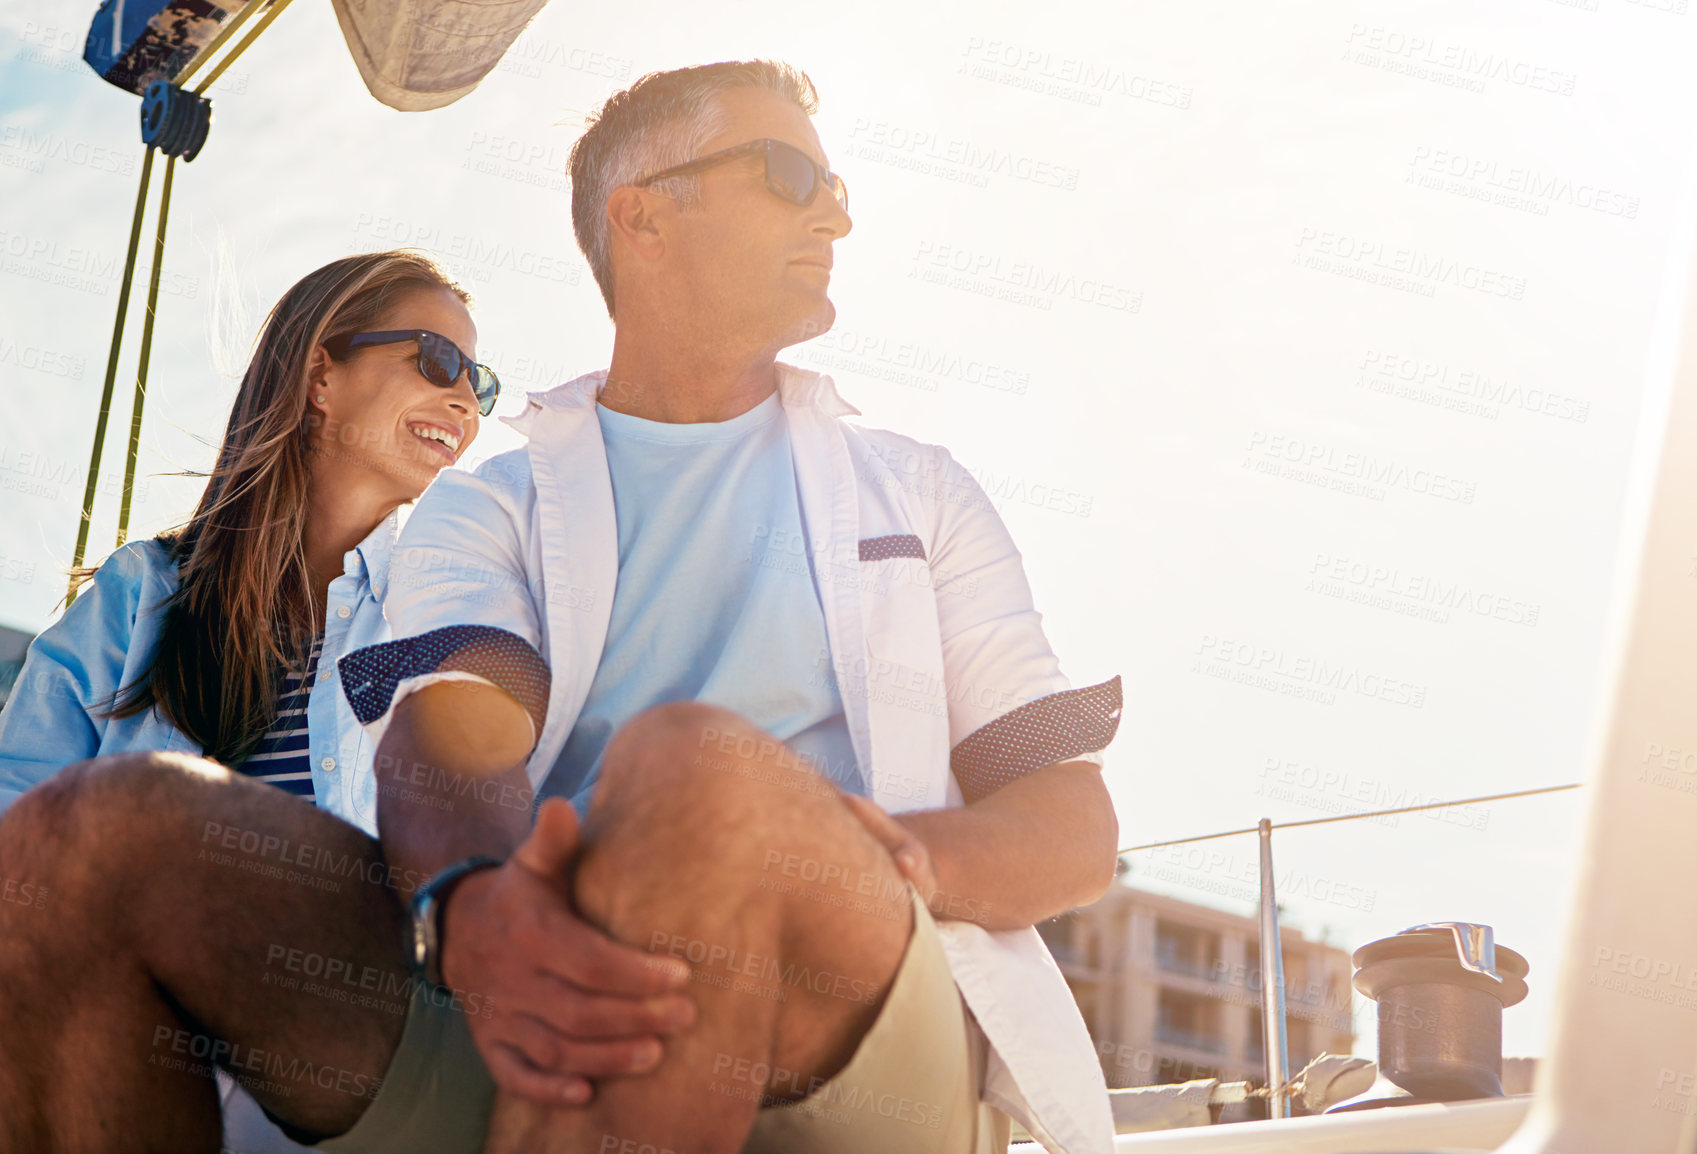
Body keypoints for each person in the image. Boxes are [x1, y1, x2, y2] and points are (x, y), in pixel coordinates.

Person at [0, 62, 1120, 1154]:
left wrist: (880, 855)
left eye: (835, 183)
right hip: (517, 992)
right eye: (789, 173)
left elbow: (1070, 825)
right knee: (97, 827)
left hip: (861, 1014)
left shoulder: (920, 491)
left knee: (692, 772)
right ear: (643, 215)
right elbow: (451, 736)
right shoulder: (487, 508)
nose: (836, 211)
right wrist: (476, 899)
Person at [0, 249, 491, 826]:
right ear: (320, 377)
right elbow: (18, 818)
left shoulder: (452, 619)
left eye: (480, 382)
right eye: (436, 359)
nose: (465, 401)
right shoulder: (140, 595)